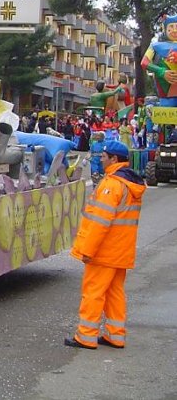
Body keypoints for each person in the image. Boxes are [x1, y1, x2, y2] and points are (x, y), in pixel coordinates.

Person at [65, 140, 146, 349]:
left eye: (103, 156)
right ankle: (115, 335)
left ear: (114, 159)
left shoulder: (111, 185)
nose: (100, 159)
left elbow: (100, 223)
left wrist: (87, 251)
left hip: (104, 252)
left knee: (93, 292)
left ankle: (86, 336)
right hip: (121, 251)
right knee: (114, 292)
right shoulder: (130, 183)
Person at [141, 14, 177, 107]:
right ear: (165, 29)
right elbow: (144, 62)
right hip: (165, 94)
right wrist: (161, 71)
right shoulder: (155, 45)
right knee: (166, 114)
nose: (174, 30)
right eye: (171, 27)